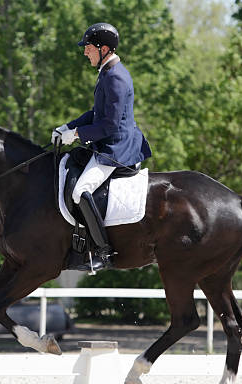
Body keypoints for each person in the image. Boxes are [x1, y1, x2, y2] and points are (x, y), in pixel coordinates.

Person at [52, 22, 152, 272]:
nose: (85, 52)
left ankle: (104, 252)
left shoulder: (115, 77)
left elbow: (108, 124)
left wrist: (76, 134)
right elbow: (97, 112)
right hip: (107, 141)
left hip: (117, 148)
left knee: (80, 190)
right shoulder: (108, 71)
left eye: (88, 47)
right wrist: (68, 126)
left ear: (103, 48)